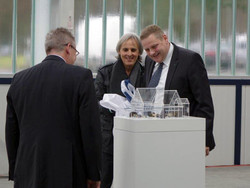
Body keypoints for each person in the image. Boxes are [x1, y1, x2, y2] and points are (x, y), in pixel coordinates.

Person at [5, 27, 101, 188]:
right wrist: (93, 173)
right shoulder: (81, 77)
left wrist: (16, 169)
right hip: (68, 171)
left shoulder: (19, 79)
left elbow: (12, 130)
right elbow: (90, 129)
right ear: (69, 48)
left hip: (28, 168)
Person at [140, 24, 215, 156]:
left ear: (165, 38)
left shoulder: (190, 60)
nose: (151, 52)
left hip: (182, 134)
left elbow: (204, 102)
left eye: (154, 46)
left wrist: (204, 139)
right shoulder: (149, 61)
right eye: (147, 49)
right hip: (152, 133)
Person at [94, 33, 144, 188]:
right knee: (105, 178)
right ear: (119, 51)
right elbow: (95, 101)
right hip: (109, 133)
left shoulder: (146, 72)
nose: (129, 54)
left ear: (139, 53)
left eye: (133, 50)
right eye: (126, 49)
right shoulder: (105, 72)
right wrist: (115, 107)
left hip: (136, 131)